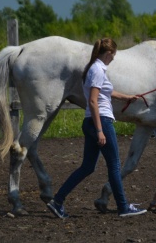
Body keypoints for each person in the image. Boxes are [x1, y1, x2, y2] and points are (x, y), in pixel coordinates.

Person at [47, 38, 147, 218]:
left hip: (92, 122)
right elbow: (93, 101)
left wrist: (126, 97)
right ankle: (123, 207)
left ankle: (57, 201)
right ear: (108, 53)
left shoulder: (95, 68)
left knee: (87, 167)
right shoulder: (98, 70)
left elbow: (104, 92)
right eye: (113, 55)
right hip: (101, 121)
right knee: (114, 166)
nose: (114, 59)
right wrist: (100, 130)